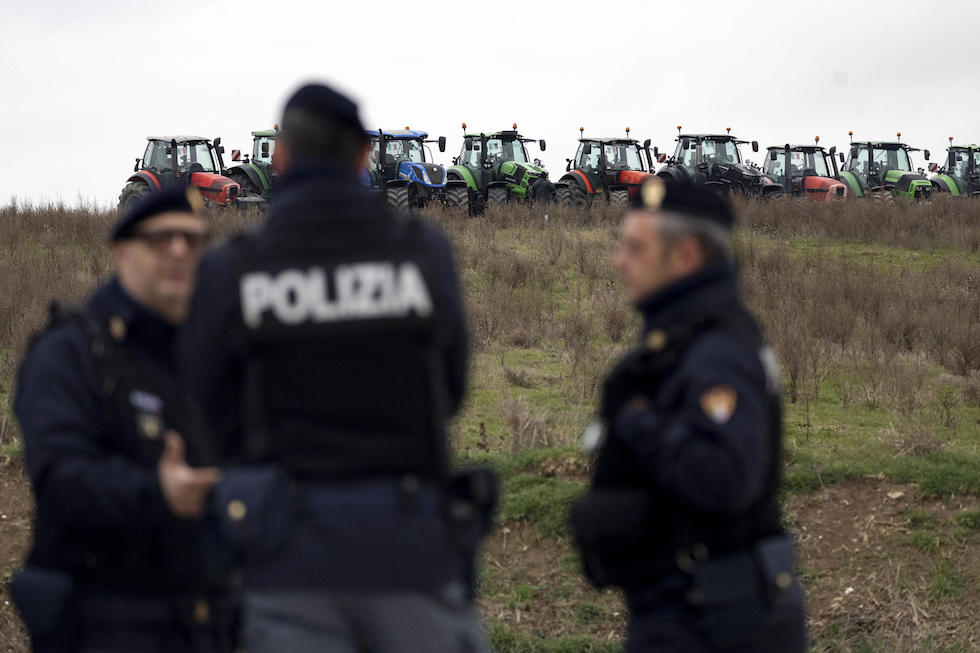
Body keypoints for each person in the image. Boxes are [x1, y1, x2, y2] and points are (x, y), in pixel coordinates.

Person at [179, 82, 493, 652]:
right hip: (411, 547)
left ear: (280, 156)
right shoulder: (421, 252)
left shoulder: (234, 269)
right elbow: (450, 389)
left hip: (288, 556)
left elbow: (204, 406)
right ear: (363, 156)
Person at [570, 177, 806, 653]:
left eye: (636, 248)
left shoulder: (716, 353)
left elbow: (724, 476)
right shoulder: (687, 337)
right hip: (693, 606)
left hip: (710, 619)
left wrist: (637, 423)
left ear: (686, 257)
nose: (620, 260)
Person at [13, 188, 229, 653]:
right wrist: (157, 492)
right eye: (160, 240)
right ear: (122, 252)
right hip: (104, 617)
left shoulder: (205, 356)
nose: (177, 252)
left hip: (199, 618)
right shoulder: (72, 353)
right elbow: (59, 477)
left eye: (191, 241)